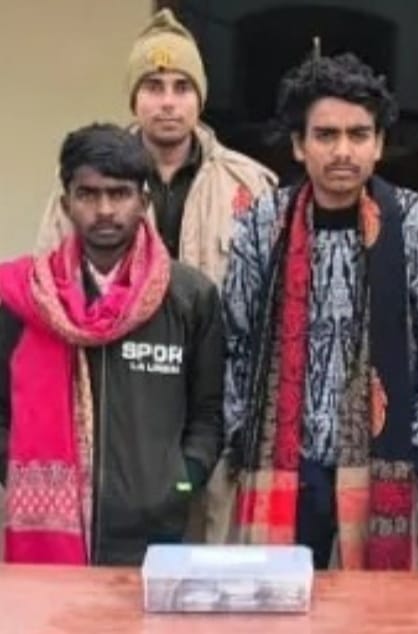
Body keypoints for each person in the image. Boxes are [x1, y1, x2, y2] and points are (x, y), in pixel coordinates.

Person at [223, 52, 418, 570]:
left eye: (358, 134)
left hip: (384, 464)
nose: (343, 150)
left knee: (376, 608)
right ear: (299, 144)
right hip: (284, 468)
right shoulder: (263, 224)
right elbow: (234, 341)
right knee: (279, 602)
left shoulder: (417, 225)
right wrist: (241, 435)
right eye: (326, 135)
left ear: (379, 144)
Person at [36, 8, 276, 544]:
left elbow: (274, 309)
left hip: (217, 401)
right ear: (133, 98)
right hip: (117, 405)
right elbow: (49, 293)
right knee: (113, 557)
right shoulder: (87, 181)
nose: (168, 102)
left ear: (200, 98)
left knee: (209, 552)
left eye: (181, 87)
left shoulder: (249, 186)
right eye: (153, 86)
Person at [0, 123, 224, 565]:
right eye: (88, 194)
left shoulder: (189, 297)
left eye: (119, 194)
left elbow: (209, 412)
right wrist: (18, 471)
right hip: (46, 536)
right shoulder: (24, 299)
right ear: (66, 203)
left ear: (143, 202)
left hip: (155, 534)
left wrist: (180, 483)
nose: (104, 210)